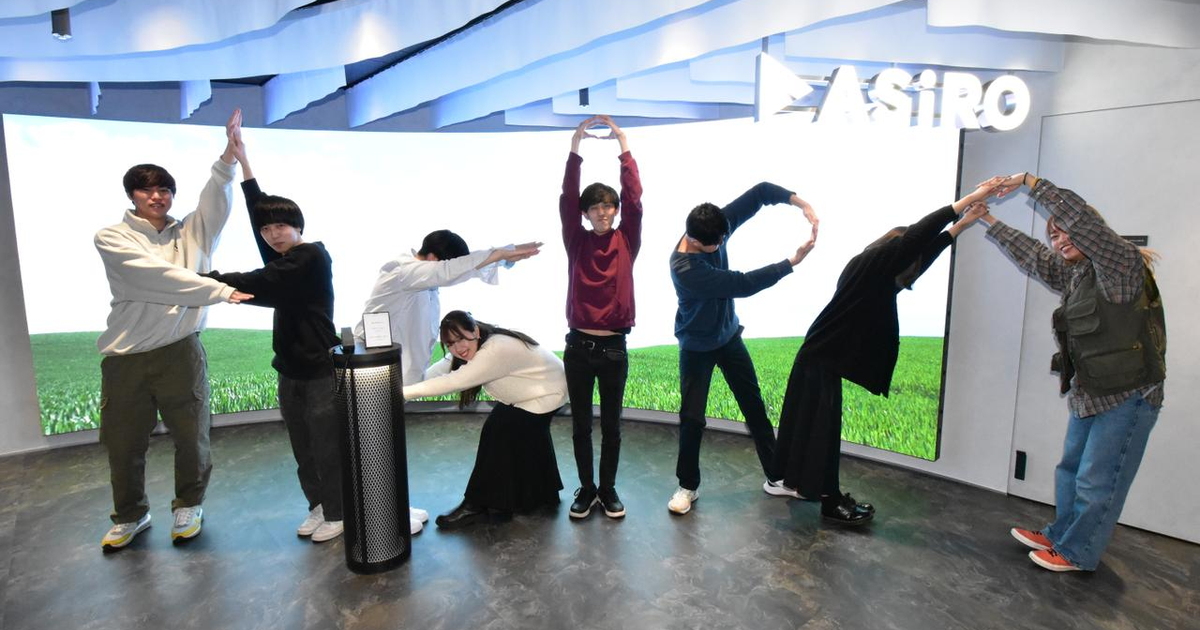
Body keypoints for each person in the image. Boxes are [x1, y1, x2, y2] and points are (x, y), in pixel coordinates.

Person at [771, 182, 997, 526]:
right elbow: (918, 238)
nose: (909, 277)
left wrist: (962, 225)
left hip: (820, 358)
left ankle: (808, 488)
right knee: (822, 435)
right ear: (895, 249)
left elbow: (924, 254)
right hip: (818, 358)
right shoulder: (873, 262)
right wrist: (968, 200)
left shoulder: (876, 274)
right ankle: (829, 501)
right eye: (907, 264)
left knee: (814, 431)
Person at [979, 172, 1165, 572]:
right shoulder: (1077, 273)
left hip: (1129, 395)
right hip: (1092, 391)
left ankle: (1078, 553)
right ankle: (1062, 534)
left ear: (1089, 234)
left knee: (1097, 480)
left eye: (1065, 232)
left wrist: (1029, 182)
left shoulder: (1120, 266)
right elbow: (1034, 256)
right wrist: (988, 220)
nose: (1059, 241)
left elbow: (1083, 222)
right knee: (1071, 471)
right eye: (1054, 235)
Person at [94, 110, 252, 551]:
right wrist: (219, 290)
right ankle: (131, 515)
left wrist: (229, 156)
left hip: (180, 351)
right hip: (126, 357)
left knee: (191, 436)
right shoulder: (112, 237)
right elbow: (154, 278)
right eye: (147, 189)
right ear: (132, 195)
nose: (157, 196)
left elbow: (216, 197)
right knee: (123, 444)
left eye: (164, 189)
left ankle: (189, 504)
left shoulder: (193, 234)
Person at [202, 140, 346, 543]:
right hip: (289, 369)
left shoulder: (311, 256)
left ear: (298, 226)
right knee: (303, 446)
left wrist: (203, 280)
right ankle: (319, 505)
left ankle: (339, 512)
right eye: (266, 230)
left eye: (280, 226)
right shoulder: (283, 257)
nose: (272, 234)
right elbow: (257, 213)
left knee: (326, 446)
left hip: (320, 369)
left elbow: (261, 282)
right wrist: (244, 162)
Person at [667, 183, 819, 515]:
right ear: (695, 241)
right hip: (696, 347)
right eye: (716, 243)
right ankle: (687, 486)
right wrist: (792, 261)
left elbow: (759, 194)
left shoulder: (712, 225)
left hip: (728, 338)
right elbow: (742, 284)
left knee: (754, 407)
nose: (722, 243)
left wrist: (799, 203)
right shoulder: (686, 269)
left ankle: (776, 477)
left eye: (723, 236)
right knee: (692, 418)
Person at [403, 311, 567, 530]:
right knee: (518, 434)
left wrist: (402, 393)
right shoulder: (479, 343)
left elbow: (454, 381)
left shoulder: (495, 349)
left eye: (460, 338)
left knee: (497, 432)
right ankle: (544, 494)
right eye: (450, 344)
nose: (457, 348)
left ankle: (475, 505)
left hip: (548, 393)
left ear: (475, 331)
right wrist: (404, 386)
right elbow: (442, 368)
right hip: (537, 391)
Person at [559, 115, 643, 520]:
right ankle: (587, 488)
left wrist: (623, 144)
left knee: (611, 426)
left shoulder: (627, 239)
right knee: (580, 426)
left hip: (613, 349)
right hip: (577, 347)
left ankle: (607, 489)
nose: (603, 212)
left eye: (608, 206)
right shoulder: (576, 240)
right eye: (595, 207)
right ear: (586, 213)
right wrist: (575, 147)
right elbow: (566, 198)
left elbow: (635, 199)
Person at [354, 233, 541, 388]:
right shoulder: (402, 271)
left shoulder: (423, 275)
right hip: (373, 367)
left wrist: (506, 255)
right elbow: (450, 270)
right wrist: (499, 254)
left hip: (400, 370)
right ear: (433, 258)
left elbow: (464, 268)